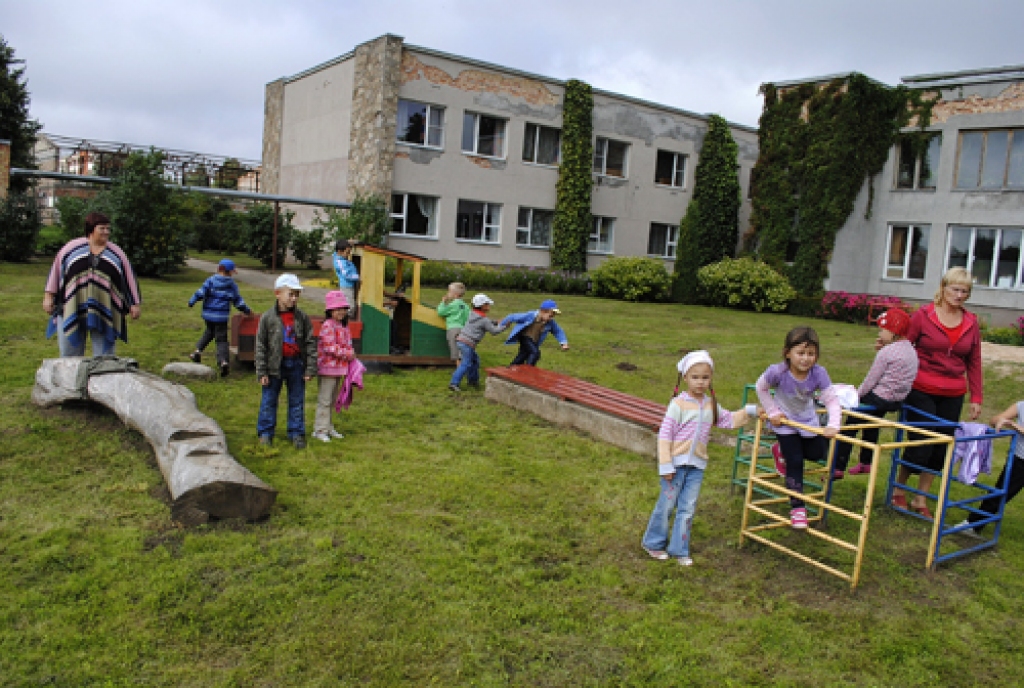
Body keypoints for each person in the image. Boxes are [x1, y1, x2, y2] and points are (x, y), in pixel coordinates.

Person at [642, 351, 757, 566]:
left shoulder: (710, 405)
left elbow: (729, 420)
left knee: (687, 507)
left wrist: (749, 411)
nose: (700, 382)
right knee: (667, 505)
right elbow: (665, 435)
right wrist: (665, 464)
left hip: (697, 466)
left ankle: (679, 549)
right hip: (674, 466)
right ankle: (653, 543)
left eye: (705, 377)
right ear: (685, 378)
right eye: (695, 377)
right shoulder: (678, 404)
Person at [892, 268, 982, 519]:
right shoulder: (924, 315)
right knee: (922, 444)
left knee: (941, 447)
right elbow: (903, 347)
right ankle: (899, 488)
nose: (960, 295)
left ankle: (921, 497)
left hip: (953, 391)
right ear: (943, 288)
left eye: (965, 291)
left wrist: (976, 398)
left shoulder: (971, 322)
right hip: (921, 387)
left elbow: (974, 361)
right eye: (955, 289)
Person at [756, 326, 841, 529]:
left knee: (817, 452)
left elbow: (831, 399)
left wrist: (833, 424)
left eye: (811, 354)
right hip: (785, 422)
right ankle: (797, 508)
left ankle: (780, 451)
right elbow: (761, 387)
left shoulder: (819, 373)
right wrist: (773, 411)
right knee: (795, 462)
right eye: (800, 353)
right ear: (788, 353)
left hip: (807, 419)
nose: (805, 358)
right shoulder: (778, 372)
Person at [43, 211, 142, 357]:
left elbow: (129, 278)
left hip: (104, 309)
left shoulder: (116, 253)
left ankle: (102, 378)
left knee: (105, 359)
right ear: (91, 229)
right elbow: (56, 272)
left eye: (108, 229)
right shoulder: (71, 249)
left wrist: (134, 304)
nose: (106, 232)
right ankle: (72, 378)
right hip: (71, 306)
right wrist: (48, 297)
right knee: (69, 358)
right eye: (102, 228)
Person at [833, 308, 919, 477]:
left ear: (893, 331)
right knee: (872, 424)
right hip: (897, 399)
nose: (879, 334)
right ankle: (866, 462)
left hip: (879, 397)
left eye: (882, 330)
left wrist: (857, 396)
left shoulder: (886, 353)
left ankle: (838, 466)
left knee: (851, 424)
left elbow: (871, 380)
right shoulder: (911, 350)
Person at [255, 274, 318, 448]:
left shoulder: (302, 318)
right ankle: (265, 433)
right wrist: (262, 371)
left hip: (296, 364)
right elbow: (261, 345)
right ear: (277, 293)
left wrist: (310, 368)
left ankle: (296, 433)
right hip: (273, 366)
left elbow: (310, 342)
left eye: (297, 294)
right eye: (290, 294)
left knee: (297, 400)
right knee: (269, 400)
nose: (294, 298)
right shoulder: (268, 318)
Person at [958, 402, 1024, 537]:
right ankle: (972, 525)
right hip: (1020, 461)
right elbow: (994, 420)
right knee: (1000, 494)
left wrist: (1016, 427)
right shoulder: (1021, 405)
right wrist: (1002, 420)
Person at [187, 258, 252, 376]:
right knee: (221, 340)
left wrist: (192, 301)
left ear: (218, 269)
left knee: (209, 332)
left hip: (208, 315)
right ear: (230, 272)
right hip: (221, 317)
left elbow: (200, 292)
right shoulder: (231, 285)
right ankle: (223, 362)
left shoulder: (210, 281)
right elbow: (238, 301)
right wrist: (246, 311)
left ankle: (197, 351)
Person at [312, 291, 355, 443]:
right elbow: (330, 347)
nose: (341, 312)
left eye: (343, 308)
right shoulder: (327, 326)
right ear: (330, 310)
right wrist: (347, 353)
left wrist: (349, 352)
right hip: (327, 369)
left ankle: (328, 427)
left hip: (339, 369)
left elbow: (348, 343)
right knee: (325, 399)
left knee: (331, 399)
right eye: (338, 309)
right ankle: (320, 430)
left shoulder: (343, 326)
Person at [449, 294, 506, 392]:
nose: (489, 306)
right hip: (467, 344)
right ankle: (454, 383)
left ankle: (473, 381)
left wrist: (496, 322)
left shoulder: (472, 314)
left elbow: (487, 323)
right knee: (465, 363)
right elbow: (494, 331)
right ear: (482, 306)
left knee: (475, 361)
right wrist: (504, 325)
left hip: (461, 341)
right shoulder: (484, 320)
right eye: (487, 304)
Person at [499, 299, 569, 366]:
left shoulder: (550, 323)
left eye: (553, 317)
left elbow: (558, 331)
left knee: (522, 356)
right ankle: (528, 370)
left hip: (534, 341)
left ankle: (511, 368)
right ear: (542, 311)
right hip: (525, 337)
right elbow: (513, 317)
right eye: (550, 316)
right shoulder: (531, 315)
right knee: (535, 353)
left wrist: (563, 343)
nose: (551, 318)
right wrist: (501, 325)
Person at [437, 282, 469, 362]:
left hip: (453, 329)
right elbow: (468, 317)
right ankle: (464, 367)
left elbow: (441, 312)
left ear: (455, 294)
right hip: (463, 329)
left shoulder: (453, 305)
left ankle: (459, 371)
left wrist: (443, 302)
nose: (448, 293)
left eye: (449, 291)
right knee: (461, 350)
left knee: (455, 352)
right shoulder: (465, 306)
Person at [333, 239, 360, 317]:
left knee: (349, 302)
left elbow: (335, 252)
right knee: (350, 305)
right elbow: (347, 275)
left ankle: (346, 317)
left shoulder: (340, 258)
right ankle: (347, 319)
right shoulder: (340, 262)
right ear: (340, 252)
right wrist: (357, 277)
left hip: (349, 285)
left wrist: (348, 243)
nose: (348, 254)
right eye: (347, 252)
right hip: (346, 286)